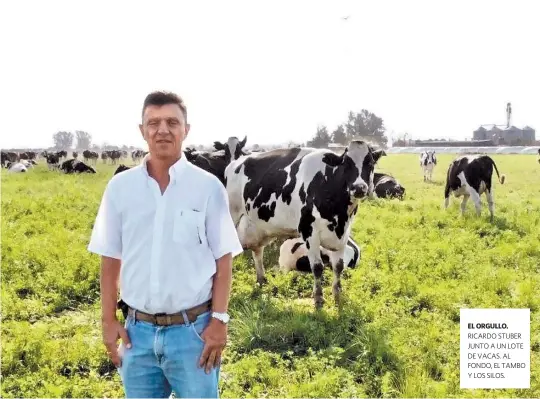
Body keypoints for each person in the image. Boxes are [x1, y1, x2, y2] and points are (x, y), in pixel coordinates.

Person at [87, 90, 243, 398]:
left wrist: (219, 321)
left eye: (172, 121)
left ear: (186, 129)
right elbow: (109, 260)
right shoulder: (120, 188)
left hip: (194, 334)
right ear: (142, 130)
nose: (163, 129)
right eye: (154, 122)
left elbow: (223, 261)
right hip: (137, 334)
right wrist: (108, 320)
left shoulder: (208, 187)